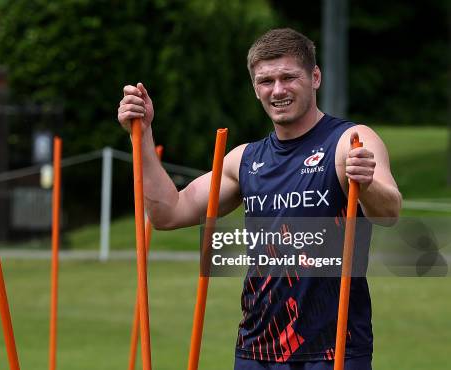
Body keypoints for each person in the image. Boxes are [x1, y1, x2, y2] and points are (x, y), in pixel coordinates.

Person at [117, 28, 401, 370]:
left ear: (315, 77)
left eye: (288, 77)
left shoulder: (349, 141)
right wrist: (143, 135)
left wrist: (366, 182)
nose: (278, 90)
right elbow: (169, 213)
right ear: (255, 88)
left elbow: (389, 212)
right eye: (266, 81)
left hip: (333, 352)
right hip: (257, 352)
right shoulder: (245, 159)